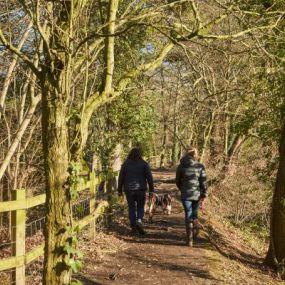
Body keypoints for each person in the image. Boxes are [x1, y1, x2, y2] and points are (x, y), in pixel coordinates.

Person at [175, 147, 207, 246]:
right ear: (195, 155)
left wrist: (182, 188)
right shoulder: (200, 166)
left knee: (188, 214)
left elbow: (177, 180)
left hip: (185, 194)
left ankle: (189, 239)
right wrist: (204, 193)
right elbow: (203, 182)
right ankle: (195, 232)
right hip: (196, 194)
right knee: (194, 213)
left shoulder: (181, 166)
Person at [118, 147, 154, 235]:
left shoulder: (125, 164)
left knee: (131, 207)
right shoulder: (144, 164)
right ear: (140, 155)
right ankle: (139, 220)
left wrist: (119, 190)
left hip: (128, 190)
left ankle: (133, 227)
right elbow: (149, 177)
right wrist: (151, 190)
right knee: (140, 207)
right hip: (141, 189)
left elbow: (121, 178)